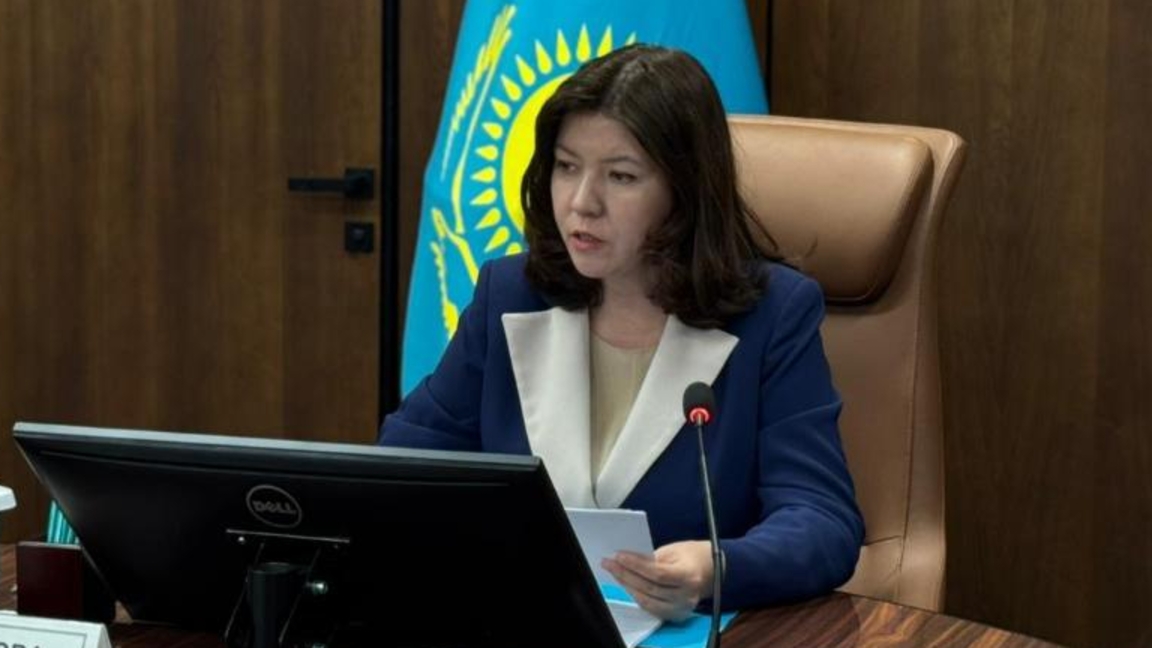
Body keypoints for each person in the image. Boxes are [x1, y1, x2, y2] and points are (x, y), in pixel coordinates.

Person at [380, 44, 863, 620]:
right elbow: (406, 467)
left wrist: (716, 567)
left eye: (621, 176)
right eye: (566, 166)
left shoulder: (773, 314)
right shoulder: (509, 295)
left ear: (685, 191)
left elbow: (822, 519)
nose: (582, 203)